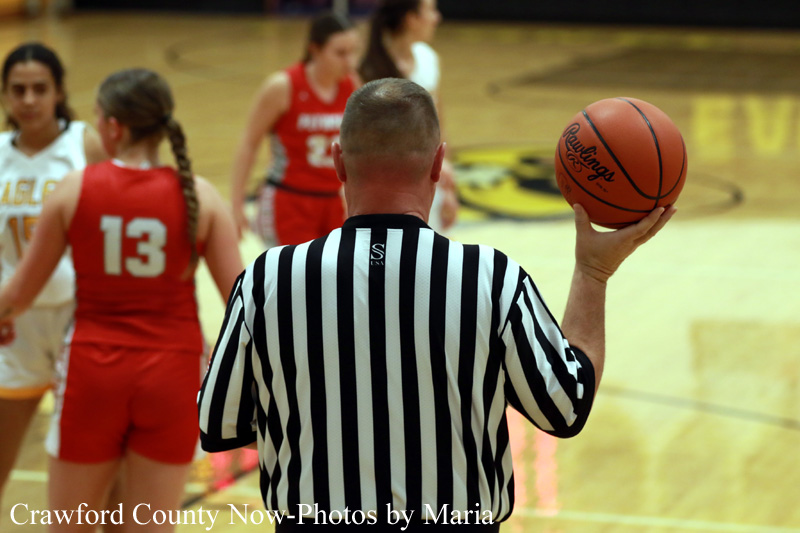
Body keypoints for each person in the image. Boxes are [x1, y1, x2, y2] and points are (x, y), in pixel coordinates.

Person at [198, 78, 676, 531]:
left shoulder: (266, 280)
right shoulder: (491, 279)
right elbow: (564, 407)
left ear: (338, 162)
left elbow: (218, 423)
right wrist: (592, 272)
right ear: (437, 163)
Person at [0, 68, 243, 531]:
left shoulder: (75, 189)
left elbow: (18, 295)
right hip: (173, 375)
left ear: (113, 127)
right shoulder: (201, 196)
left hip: (94, 373)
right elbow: (245, 304)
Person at [0, 42, 106, 506]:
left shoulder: (84, 144)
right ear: (5, 96)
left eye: (40, 89)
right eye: (18, 89)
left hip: (77, 320)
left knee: (90, 459)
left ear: (59, 92)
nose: (29, 100)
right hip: (12, 326)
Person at [230, 12, 360, 246]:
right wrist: (236, 204)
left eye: (354, 52)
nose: (350, 62)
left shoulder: (352, 84)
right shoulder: (283, 86)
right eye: (341, 53)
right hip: (289, 200)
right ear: (315, 50)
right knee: (292, 269)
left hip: (334, 202)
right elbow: (249, 143)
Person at [359, 0, 459, 231]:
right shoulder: (368, 70)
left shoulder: (428, 59)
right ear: (411, 19)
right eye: (430, 10)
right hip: (383, 187)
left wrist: (448, 187)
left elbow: (438, 126)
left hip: (425, 181)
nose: (437, 18)